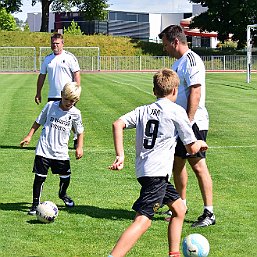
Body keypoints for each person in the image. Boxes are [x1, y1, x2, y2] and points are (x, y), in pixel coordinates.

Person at [108, 68, 208, 257]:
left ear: (154, 91)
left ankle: (174, 253)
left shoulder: (143, 110)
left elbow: (117, 124)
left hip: (147, 172)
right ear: (175, 91)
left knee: (179, 209)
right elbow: (191, 148)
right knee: (143, 221)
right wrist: (200, 143)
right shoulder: (177, 111)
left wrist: (120, 155)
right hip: (156, 174)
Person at [158, 25, 215, 227]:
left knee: (198, 165)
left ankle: (209, 212)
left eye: (166, 45)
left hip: (194, 122)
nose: (165, 49)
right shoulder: (177, 64)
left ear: (175, 42)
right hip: (180, 124)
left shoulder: (192, 61)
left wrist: (188, 124)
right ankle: (180, 206)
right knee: (177, 163)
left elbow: (196, 93)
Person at [21, 82, 84, 215]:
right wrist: (29, 136)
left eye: (72, 101)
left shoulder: (76, 113)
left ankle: (63, 194)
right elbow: (39, 121)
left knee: (66, 177)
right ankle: (35, 204)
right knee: (39, 178)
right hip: (44, 149)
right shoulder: (50, 106)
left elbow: (80, 131)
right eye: (66, 99)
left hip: (61, 152)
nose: (68, 103)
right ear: (61, 95)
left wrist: (79, 147)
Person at [35, 33, 81, 148]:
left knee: (71, 118)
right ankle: (50, 142)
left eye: (57, 43)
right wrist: (38, 92)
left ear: (62, 44)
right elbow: (42, 75)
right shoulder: (47, 59)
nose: (55, 45)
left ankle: (76, 138)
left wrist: (76, 91)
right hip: (53, 94)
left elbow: (76, 74)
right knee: (51, 118)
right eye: (53, 43)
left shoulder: (69, 57)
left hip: (67, 94)